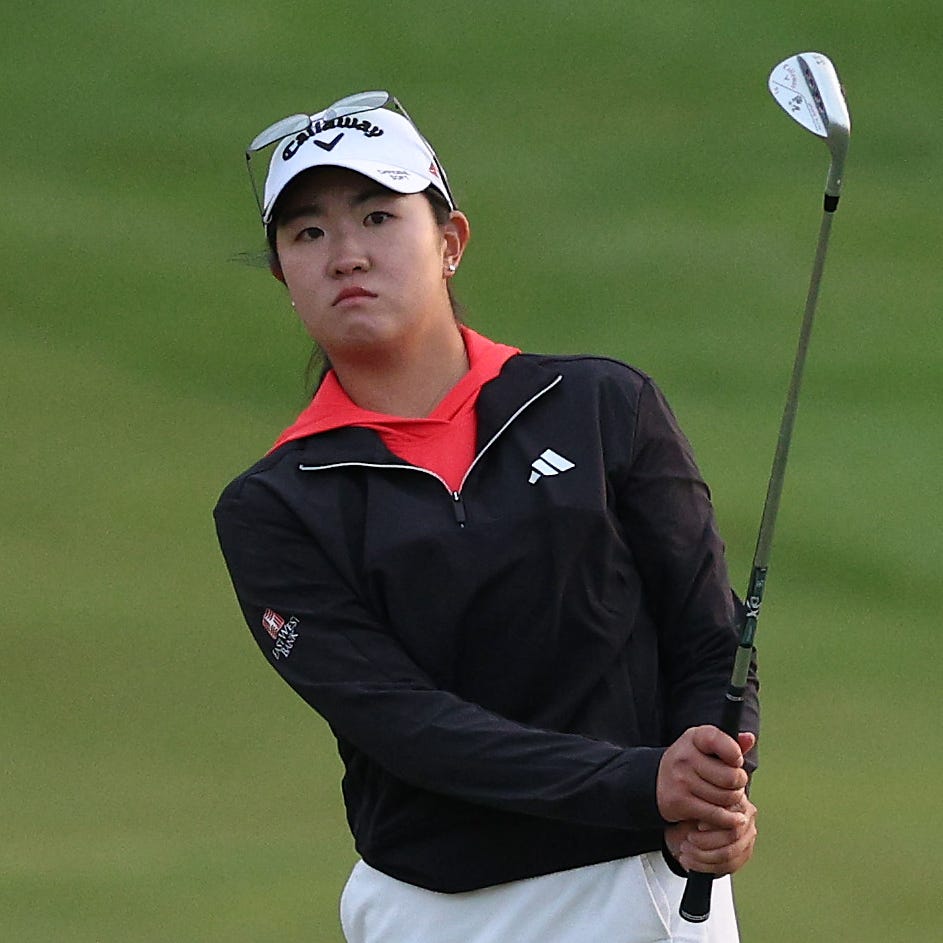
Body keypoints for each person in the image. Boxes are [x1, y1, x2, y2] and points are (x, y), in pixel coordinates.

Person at [214, 91, 759, 943]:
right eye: (307, 233)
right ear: (286, 277)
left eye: (377, 216)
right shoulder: (276, 505)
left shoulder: (598, 404)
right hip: (430, 910)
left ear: (450, 242)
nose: (345, 253)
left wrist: (714, 780)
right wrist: (647, 783)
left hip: (638, 885)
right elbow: (408, 724)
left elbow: (706, 638)